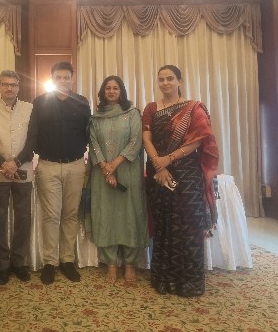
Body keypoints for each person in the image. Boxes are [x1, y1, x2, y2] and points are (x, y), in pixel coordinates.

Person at [142, 65, 219, 297]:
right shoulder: (151, 108)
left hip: (187, 173)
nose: (165, 83)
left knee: (189, 225)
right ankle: (164, 280)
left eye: (170, 78)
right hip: (158, 173)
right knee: (164, 224)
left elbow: (198, 141)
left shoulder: (193, 108)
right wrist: (159, 164)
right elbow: (146, 139)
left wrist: (168, 159)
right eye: (161, 79)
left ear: (179, 81)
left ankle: (189, 283)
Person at [27, 61, 91, 285]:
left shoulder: (82, 102)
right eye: (58, 77)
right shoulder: (40, 102)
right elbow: (33, 134)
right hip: (48, 166)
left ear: (72, 79)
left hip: (75, 165)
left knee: (70, 214)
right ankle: (50, 262)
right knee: (51, 215)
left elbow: (88, 133)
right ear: (52, 79)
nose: (63, 81)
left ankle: (67, 260)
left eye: (67, 77)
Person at [88, 76, 148, 285]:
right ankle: (111, 263)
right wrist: (106, 168)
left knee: (131, 215)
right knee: (105, 215)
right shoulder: (96, 118)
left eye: (115, 88)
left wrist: (113, 165)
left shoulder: (132, 113)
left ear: (121, 91)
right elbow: (93, 145)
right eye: (108, 88)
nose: (112, 91)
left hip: (128, 172)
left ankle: (130, 264)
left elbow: (136, 141)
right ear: (103, 92)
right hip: (101, 174)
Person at [0, 70, 34, 285]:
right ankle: (2, 264)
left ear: (18, 87)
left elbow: (33, 140)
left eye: (13, 85)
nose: (9, 88)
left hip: (23, 169)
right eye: (5, 84)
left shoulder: (30, 109)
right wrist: (4, 163)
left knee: (23, 217)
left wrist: (16, 162)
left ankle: (19, 261)